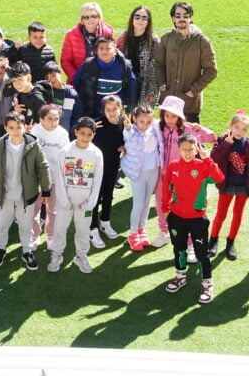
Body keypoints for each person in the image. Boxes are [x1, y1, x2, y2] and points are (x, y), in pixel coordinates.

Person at [0, 112, 51, 271]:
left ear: (25, 127)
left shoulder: (34, 146)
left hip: (26, 197)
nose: (15, 131)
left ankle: (27, 251)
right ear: (5, 128)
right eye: (11, 127)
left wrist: (46, 190)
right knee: (1, 226)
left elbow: (43, 168)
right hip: (5, 197)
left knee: (26, 227)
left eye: (19, 127)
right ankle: (0, 248)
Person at [160, 134, 225, 304]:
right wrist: (165, 208)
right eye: (184, 149)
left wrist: (207, 159)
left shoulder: (203, 166)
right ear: (178, 150)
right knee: (179, 248)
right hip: (176, 217)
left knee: (201, 253)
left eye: (191, 149)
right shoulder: (173, 166)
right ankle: (180, 276)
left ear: (197, 149)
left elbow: (219, 178)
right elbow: (166, 188)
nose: (188, 153)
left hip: (197, 218)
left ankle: (207, 283)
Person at [152, 95, 215, 249]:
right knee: (161, 203)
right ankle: (164, 232)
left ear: (180, 116)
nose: (170, 119)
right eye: (167, 115)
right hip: (163, 174)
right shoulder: (158, 127)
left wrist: (200, 128)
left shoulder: (187, 130)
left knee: (184, 206)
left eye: (174, 116)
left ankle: (190, 241)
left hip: (182, 176)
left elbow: (211, 138)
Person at [47, 116, 104, 274]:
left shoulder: (96, 154)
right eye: (82, 133)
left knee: (83, 230)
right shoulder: (65, 152)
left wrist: (90, 203)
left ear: (93, 135)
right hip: (65, 202)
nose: (85, 137)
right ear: (76, 132)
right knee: (60, 228)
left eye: (89, 134)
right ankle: (57, 254)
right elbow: (59, 178)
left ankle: (81, 256)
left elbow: (97, 180)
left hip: (85, 204)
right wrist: (64, 201)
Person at [208, 111, 249, 260]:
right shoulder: (223, 140)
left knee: (238, 214)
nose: (240, 131)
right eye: (237, 127)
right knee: (221, 214)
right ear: (231, 126)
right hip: (226, 185)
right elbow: (214, 158)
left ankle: (231, 242)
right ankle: (213, 239)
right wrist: (226, 144)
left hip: (243, 187)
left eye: (244, 129)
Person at [155, 1, 218, 123]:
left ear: (191, 17)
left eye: (185, 15)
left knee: (189, 135)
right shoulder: (166, 39)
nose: (181, 19)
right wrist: (162, 86)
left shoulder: (202, 42)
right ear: (173, 19)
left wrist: (193, 91)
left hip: (189, 105)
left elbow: (211, 71)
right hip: (168, 104)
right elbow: (159, 64)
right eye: (178, 16)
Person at [120, 104, 163, 251]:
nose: (145, 125)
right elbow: (127, 134)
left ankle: (141, 229)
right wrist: (127, 127)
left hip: (153, 170)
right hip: (137, 173)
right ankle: (133, 233)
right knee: (138, 204)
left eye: (148, 122)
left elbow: (169, 123)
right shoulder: (131, 130)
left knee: (146, 202)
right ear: (135, 119)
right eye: (141, 122)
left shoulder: (155, 128)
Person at [30, 105, 71, 252]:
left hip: (56, 178)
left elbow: (66, 157)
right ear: (41, 119)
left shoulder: (63, 133)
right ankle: (34, 235)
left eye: (56, 119)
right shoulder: (35, 131)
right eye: (49, 119)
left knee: (53, 210)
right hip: (37, 178)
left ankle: (51, 236)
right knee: (34, 209)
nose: (54, 123)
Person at [89, 95, 126, 250]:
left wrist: (124, 146)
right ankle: (92, 228)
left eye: (115, 109)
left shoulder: (124, 123)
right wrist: (89, 127)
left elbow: (127, 140)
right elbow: (78, 130)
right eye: (108, 109)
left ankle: (105, 222)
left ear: (121, 108)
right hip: (96, 168)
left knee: (108, 195)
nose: (111, 112)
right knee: (95, 198)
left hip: (112, 166)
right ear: (103, 110)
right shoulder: (97, 124)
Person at [73, 37, 137, 117]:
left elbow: (132, 90)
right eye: (101, 48)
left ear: (115, 51)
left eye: (108, 48)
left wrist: (129, 111)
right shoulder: (88, 64)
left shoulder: (124, 66)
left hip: (114, 114)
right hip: (92, 113)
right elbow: (77, 83)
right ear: (97, 51)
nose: (104, 51)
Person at [60, 2, 114, 83]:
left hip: (102, 80)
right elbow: (66, 61)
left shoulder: (108, 33)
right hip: (78, 82)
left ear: (99, 17)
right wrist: (77, 78)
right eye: (86, 17)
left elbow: (112, 57)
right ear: (81, 20)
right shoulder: (71, 35)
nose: (90, 20)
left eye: (94, 16)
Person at [117, 6, 159, 106]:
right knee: (129, 112)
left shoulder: (154, 41)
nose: (140, 20)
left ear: (148, 21)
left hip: (146, 83)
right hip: (129, 81)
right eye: (137, 17)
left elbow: (156, 68)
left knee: (144, 113)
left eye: (144, 18)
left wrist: (152, 91)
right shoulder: (124, 37)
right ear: (132, 19)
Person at [7, 61, 48, 128]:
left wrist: (36, 127)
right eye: (14, 81)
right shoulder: (20, 93)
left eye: (20, 79)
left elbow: (46, 119)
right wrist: (15, 110)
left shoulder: (37, 97)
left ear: (29, 78)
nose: (17, 84)